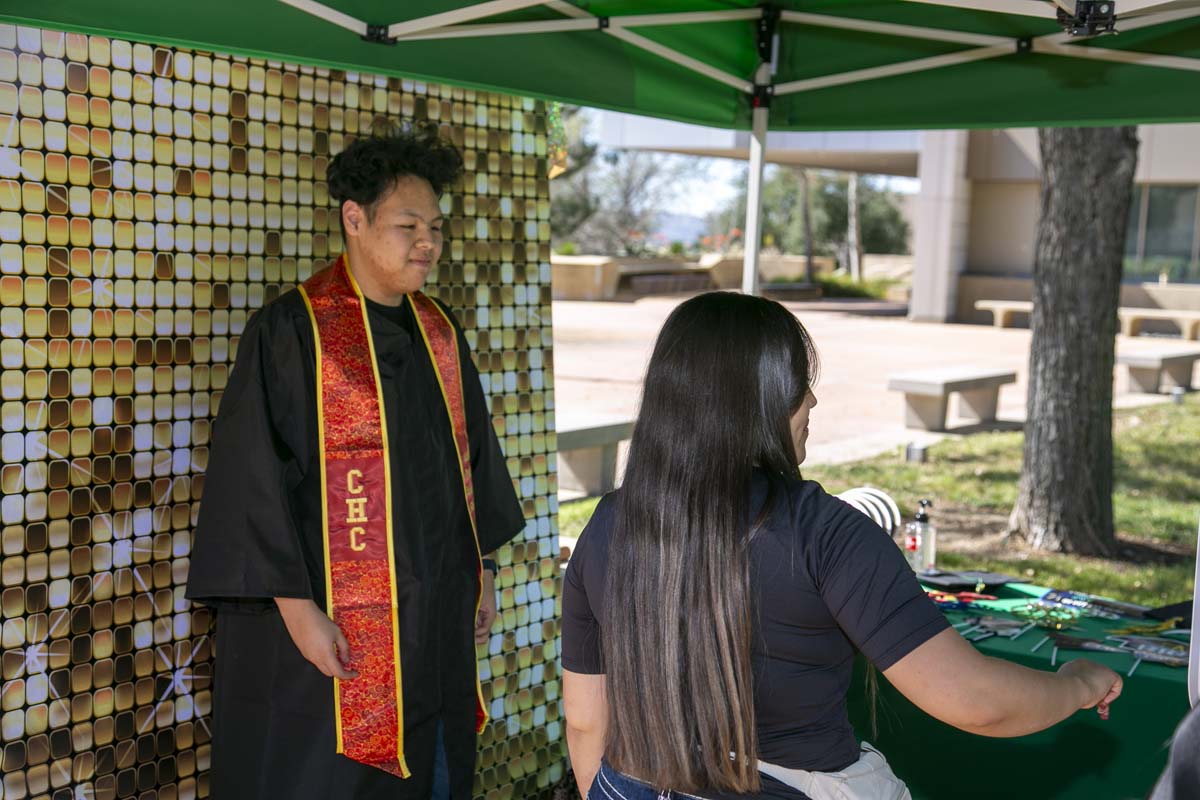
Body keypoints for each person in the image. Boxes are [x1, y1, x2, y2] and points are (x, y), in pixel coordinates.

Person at [561, 292, 1123, 800]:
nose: (811, 401)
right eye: (797, 383)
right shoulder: (826, 533)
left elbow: (587, 721)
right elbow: (977, 702)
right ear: (759, 400)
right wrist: (1077, 684)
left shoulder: (608, 523)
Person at [185, 123, 525, 800]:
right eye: (408, 225)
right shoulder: (294, 331)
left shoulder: (438, 332)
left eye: (435, 226)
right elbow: (252, 483)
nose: (428, 242)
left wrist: (482, 569)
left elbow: (472, 461)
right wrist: (299, 612)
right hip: (329, 627)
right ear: (355, 219)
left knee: (430, 764)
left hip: (432, 618)